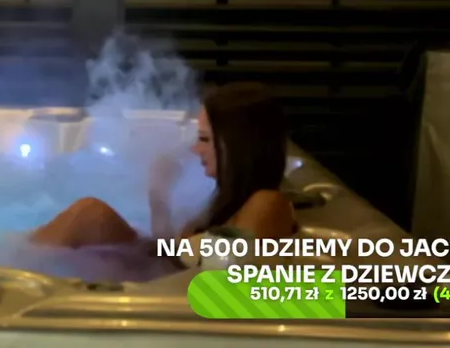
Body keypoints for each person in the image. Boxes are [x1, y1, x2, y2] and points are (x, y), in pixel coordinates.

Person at [27, 82, 295, 278]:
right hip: (162, 281)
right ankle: (20, 265)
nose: (196, 149)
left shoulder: (267, 203)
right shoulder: (231, 204)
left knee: (89, 214)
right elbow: (179, 260)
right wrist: (158, 198)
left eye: (204, 139)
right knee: (90, 215)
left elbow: (226, 276)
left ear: (237, 146)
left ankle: (20, 272)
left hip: (175, 298)